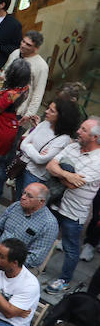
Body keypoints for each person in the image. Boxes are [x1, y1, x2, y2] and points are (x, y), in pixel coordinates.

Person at [45, 119, 100, 294]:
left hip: (74, 212)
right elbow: (50, 165)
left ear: (94, 137)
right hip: (54, 203)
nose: (78, 131)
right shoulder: (73, 146)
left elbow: (73, 185)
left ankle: (65, 279)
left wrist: (58, 173)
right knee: (45, 236)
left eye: (83, 129)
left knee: (70, 247)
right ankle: (38, 264)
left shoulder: (98, 161)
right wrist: (66, 173)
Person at [0, 182, 59, 272]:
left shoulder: (49, 224)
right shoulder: (16, 206)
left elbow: (35, 259)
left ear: (41, 202)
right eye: (24, 193)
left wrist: (1, 261)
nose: (23, 197)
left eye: (29, 196)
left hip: (19, 263)